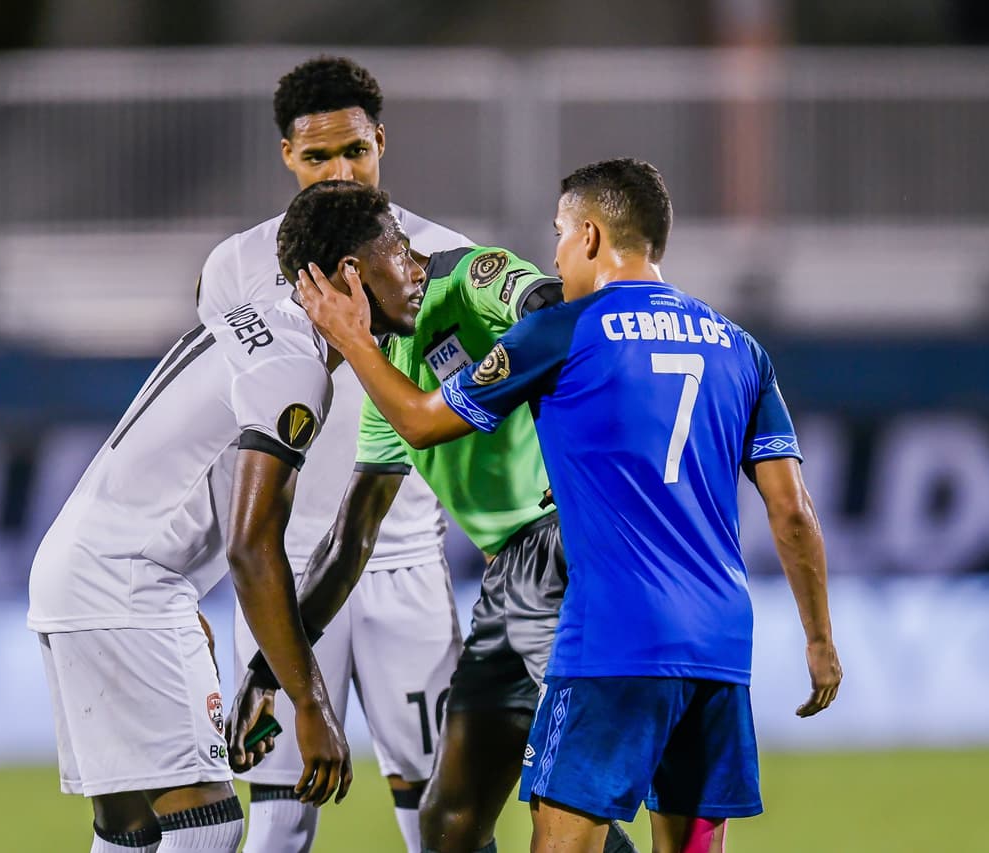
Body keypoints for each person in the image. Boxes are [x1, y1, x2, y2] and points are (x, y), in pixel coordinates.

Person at [294, 157, 843, 853]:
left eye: (558, 233)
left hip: (613, 634)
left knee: (559, 840)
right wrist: (819, 639)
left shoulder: (565, 332)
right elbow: (793, 512)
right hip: (721, 643)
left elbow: (424, 421)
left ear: (588, 235)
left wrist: (349, 334)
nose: (552, 253)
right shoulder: (741, 349)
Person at [28, 181, 421, 853]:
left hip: (81, 571)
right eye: (402, 251)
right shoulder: (297, 367)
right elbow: (251, 546)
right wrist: (311, 702)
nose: (418, 269)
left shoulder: (263, 319)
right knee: (209, 828)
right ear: (351, 273)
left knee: (132, 834)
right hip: (126, 586)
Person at [227, 226, 640, 850]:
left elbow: (551, 305)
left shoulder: (470, 279)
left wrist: (580, 442)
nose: (329, 331)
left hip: (558, 555)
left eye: (327, 315)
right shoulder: (392, 379)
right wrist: (266, 670)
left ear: (349, 282)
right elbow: (349, 542)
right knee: (449, 820)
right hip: (516, 577)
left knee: (562, 807)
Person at [195, 55, 469, 853]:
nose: (339, 169)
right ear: (288, 156)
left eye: (355, 150)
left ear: (381, 142)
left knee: (439, 818)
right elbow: (216, 432)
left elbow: (464, 415)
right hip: (279, 576)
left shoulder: (441, 258)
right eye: (317, 156)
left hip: (404, 562)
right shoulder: (235, 268)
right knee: (279, 819)